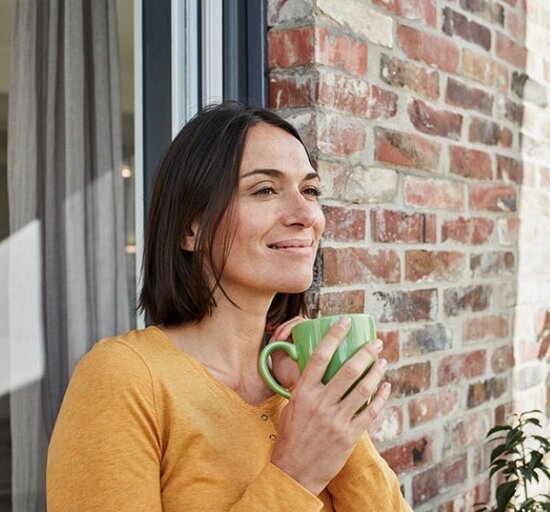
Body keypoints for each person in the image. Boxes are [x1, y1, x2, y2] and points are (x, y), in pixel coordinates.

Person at [46, 102, 412, 511]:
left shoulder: (295, 383)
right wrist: (296, 474)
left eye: (310, 190)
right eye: (265, 190)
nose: (306, 214)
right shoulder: (125, 379)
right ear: (191, 229)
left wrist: (334, 414)